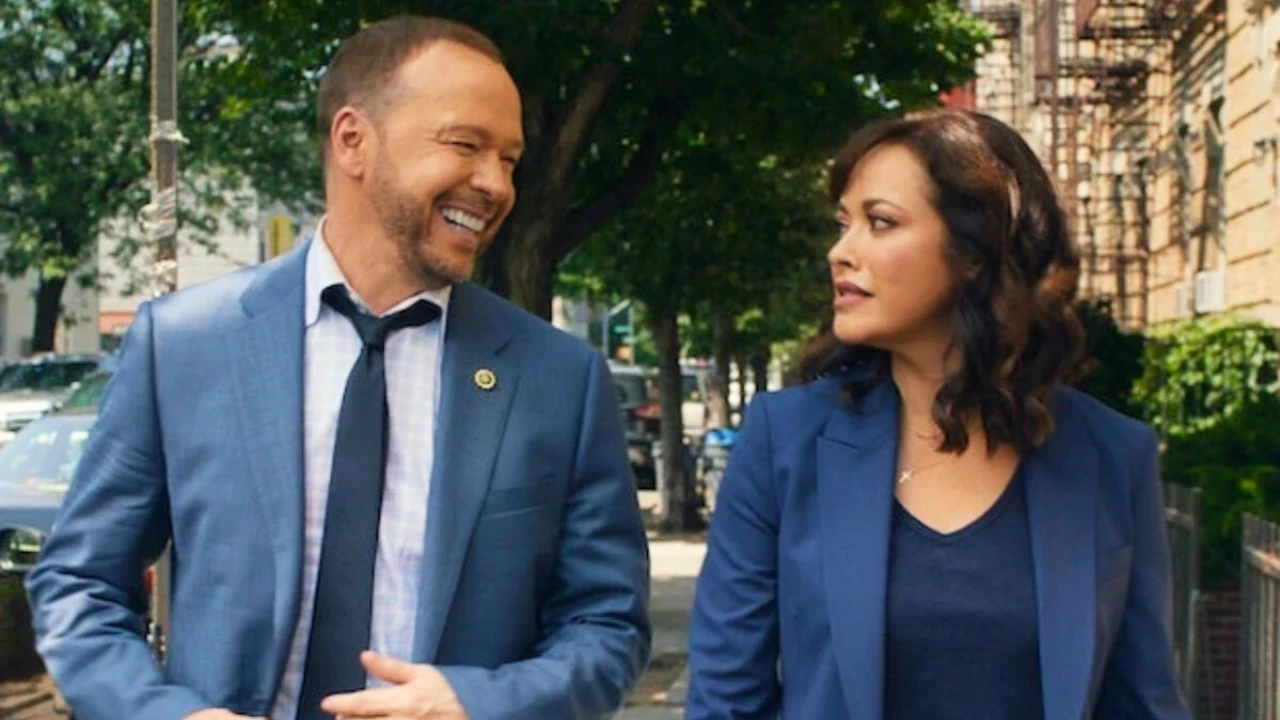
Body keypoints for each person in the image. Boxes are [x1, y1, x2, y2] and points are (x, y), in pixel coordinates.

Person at [26, 15, 650, 720]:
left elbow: (608, 628)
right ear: (353, 140)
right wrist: (165, 714)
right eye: (465, 145)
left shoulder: (559, 379)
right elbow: (79, 585)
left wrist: (478, 703)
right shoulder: (183, 346)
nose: (496, 184)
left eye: (508, 159)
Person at [685, 110, 1191, 720]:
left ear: (974, 251)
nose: (840, 252)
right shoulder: (784, 441)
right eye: (843, 224)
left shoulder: (1112, 456)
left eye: (880, 222)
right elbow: (724, 701)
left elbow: (1142, 704)